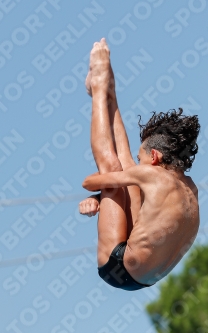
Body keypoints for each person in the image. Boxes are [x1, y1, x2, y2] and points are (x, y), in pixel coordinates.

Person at [79, 38, 200, 291]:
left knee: (113, 169)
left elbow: (89, 181)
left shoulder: (153, 176)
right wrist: (100, 200)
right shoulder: (189, 188)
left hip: (118, 265)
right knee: (124, 172)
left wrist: (101, 196)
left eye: (141, 158)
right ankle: (110, 93)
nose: (137, 163)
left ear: (154, 157)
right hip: (142, 275)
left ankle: (99, 90)